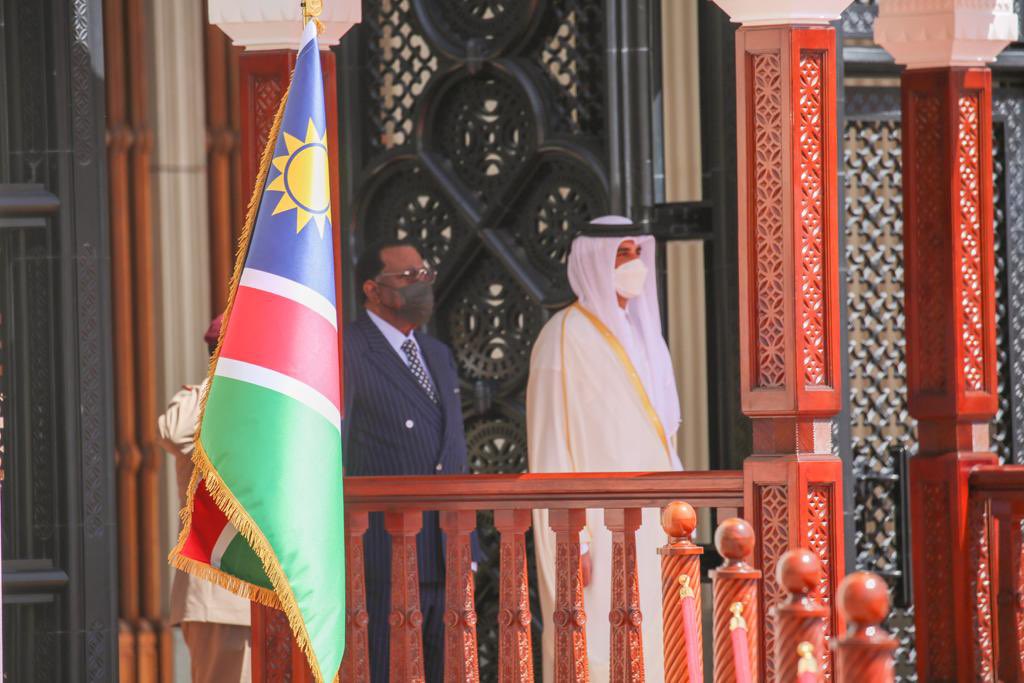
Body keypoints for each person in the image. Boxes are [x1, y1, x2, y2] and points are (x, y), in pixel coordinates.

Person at [527, 215, 683, 682]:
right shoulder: (561, 337)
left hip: (655, 527)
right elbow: (551, 445)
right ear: (593, 261)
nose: (633, 265)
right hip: (593, 527)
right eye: (621, 255)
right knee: (596, 648)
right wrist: (572, 541)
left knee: (659, 647)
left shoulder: (646, 337)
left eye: (636, 254)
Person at [343, 239, 477, 682]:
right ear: (372, 289)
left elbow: (453, 453)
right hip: (383, 556)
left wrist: (469, 549)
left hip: (446, 551)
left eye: (425, 275)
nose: (421, 285)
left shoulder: (437, 354)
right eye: (407, 277)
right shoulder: (349, 351)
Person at [158, 314, 252, 683]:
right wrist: (222, 380)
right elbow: (174, 432)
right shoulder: (204, 403)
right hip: (222, 596)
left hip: (280, 591)